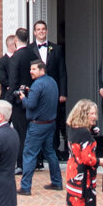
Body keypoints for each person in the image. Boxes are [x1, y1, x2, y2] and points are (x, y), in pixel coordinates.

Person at [19, 55, 62, 194]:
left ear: (41, 70)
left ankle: (25, 187)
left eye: (33, 69)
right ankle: (57, 182)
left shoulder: (37, 85)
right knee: (50, 153)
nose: (31, 71)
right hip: (50, 124)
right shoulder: (52, 82)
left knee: (29, 154)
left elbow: (30, 105)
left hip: (37, 126)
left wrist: (23, 97)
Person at [64, 99, 100, 206]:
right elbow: (87, 159)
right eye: (92, 113)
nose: (95, 116)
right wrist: (100, 162)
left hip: (73, 178)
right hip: (84, 181)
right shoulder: (85, 134)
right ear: (84, 114)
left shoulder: (73, 130)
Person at [31, 20, 68, 160]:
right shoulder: (30, 49)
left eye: (43, 29)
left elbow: (62, 72)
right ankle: (39, 155)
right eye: (38, 29)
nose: (41, 31)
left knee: (55, 120)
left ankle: (54, 150)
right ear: (34, 32)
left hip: (54, 91)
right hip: (37, 92)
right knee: (38, 120)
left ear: (46, 31)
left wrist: (63, 92)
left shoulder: (56, 49)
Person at [5, 33, 33, 158]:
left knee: (21, 133)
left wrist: (8, 101)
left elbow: (13, 81)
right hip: (32, 98)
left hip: (18, 102)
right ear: (27, 39)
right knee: (30, 132)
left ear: (16, 39)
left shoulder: (16, 57)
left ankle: (21, 164)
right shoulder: (33, 53)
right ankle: (35, 160)